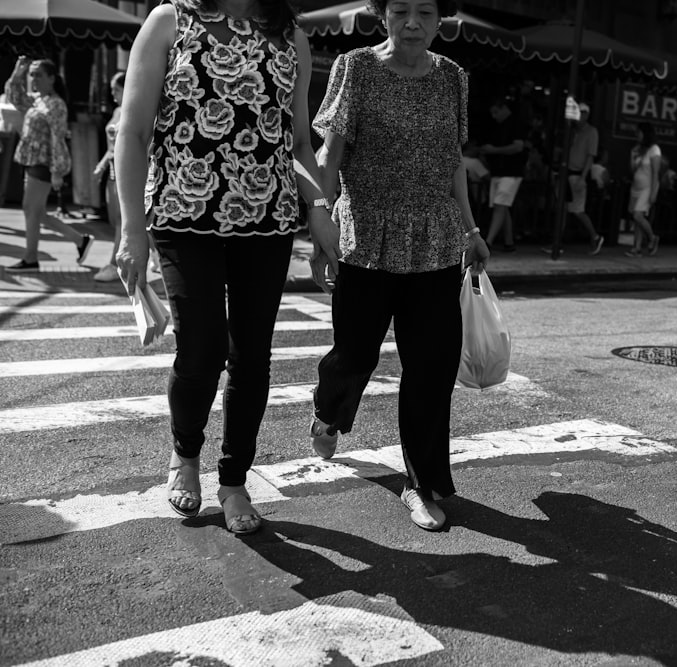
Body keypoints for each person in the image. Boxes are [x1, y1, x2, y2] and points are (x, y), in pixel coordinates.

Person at [114, 0, 339, 536]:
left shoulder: (291, 36)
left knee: (252, 356)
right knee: (202, 349)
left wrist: (321, 214)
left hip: (269, 221)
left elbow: (300, 142)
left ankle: (235, 478)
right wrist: (130, 230)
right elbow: (133, 132)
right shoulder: (171, 21)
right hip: (182, 215)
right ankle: (185, 455)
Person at [309, 0, 489, 532]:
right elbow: (329, 156)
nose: (413, 23)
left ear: (441, 20)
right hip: (366, 237)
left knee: (432, 369)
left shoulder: (453, 78)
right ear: (382, 15)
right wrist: (321, 234)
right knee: (353, 356)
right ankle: (328, 412)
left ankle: (422, 483)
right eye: (401, 11)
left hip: (434, 243)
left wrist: (470, 229)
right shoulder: (356, 67)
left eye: (425, 13)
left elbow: (451, 161)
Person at [3, 56, 92, 272]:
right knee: (37, 211)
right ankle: (80, 241)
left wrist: (57, 172)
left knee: (30, 209)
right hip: (32, 160)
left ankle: (31, 258)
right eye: (32, 75)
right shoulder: (38, 100)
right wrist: (18, 71)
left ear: (52, 78)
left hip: (43, 163)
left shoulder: (56, 104)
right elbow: (13, 95)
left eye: (39, 75)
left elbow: (57, 137)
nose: (34, 79)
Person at [546, 102, 603, 255]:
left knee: (578, 210)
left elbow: (591, 156)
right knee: (562, 210)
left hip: (577, 175)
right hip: (565, 173)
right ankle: (557, 242)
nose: (579, 116)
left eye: (582, 113)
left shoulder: (591, 132)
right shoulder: (571, 130)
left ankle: (595, 236)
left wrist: (583, 177)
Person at [92, 72, 125, 282]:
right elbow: (111, 146)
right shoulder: (117, 110)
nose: (112, 93)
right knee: (115, 219)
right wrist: (102, 165)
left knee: (123, 220)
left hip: (125, 171)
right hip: (112, 170)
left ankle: (115, 264)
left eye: (116, 89)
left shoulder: (134, 108)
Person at [481, 96, 526, 253]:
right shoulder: (499, 126)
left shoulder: (516, 124)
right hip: (499, 171)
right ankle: (509, 242)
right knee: (502, 205)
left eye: (496, 112)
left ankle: (489, 241)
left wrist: (494, 150)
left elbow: (518, 147)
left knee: (500, 204)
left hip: (511, 171)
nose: (494, 116)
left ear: (504, 108)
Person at [625, 121, 661, 257]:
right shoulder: (639, 149)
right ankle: (637, 247)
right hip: (636, 187)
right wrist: (632, 156)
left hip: (647, 187)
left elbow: (656, 173)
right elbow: (632, 169)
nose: (637, 135)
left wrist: (654, 192)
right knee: (636, 218)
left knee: (638, 215)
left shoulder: (654, 149)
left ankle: (652, 237)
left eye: (639, 133)